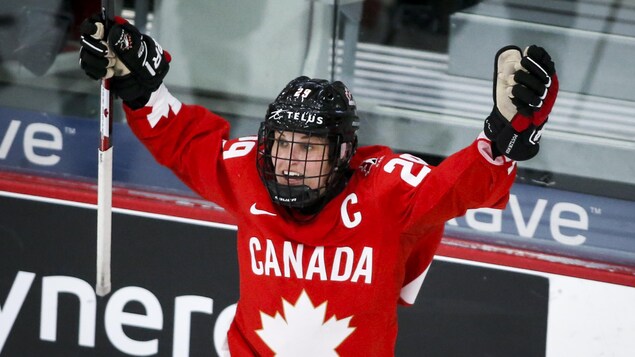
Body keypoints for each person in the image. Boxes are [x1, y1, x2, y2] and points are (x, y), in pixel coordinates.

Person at [79, 15, 558, 357]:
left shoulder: (385, 188)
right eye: (282, 144)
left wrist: (501, 140)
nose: (288, 162)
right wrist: (141, 89)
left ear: (345, 153)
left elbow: (456, 189)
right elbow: (185, 142)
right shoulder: (253, 171)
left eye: (308, 148)